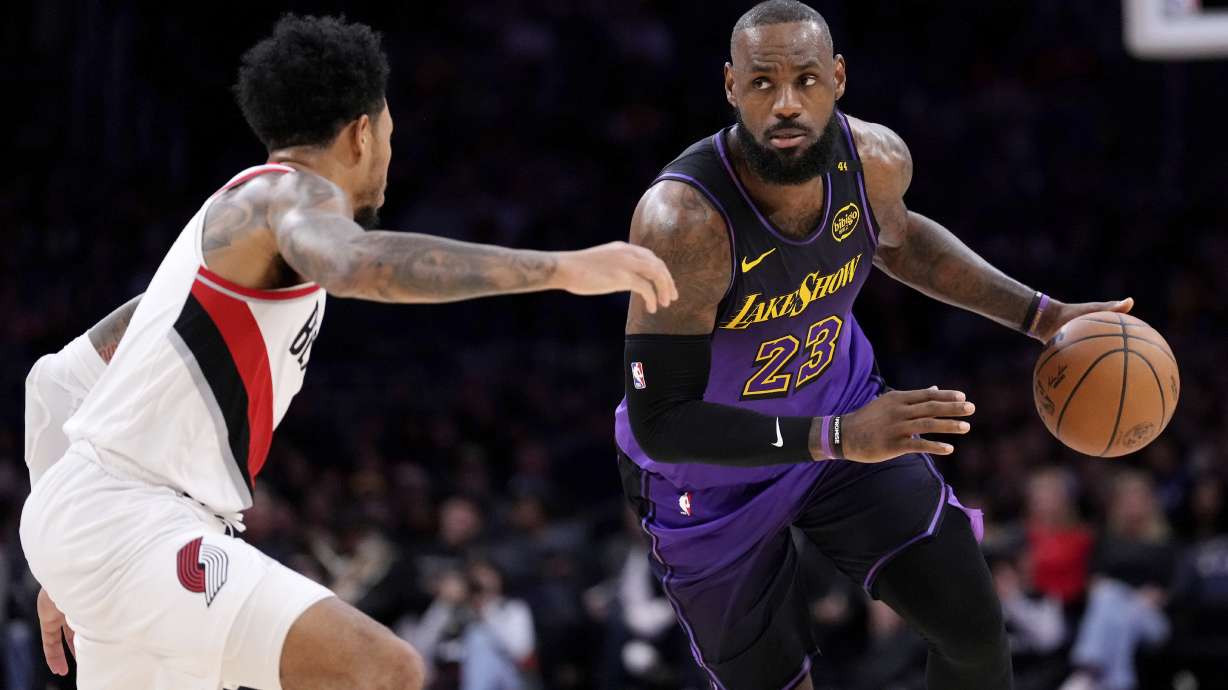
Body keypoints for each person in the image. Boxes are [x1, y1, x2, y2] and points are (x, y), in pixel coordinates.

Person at [21, 14, 675, 690]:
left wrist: (61, 556)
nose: (391, 152)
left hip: (112, 526)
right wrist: (563, 268)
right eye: (390, 132)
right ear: (363, 132)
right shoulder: (291, 193)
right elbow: (355, 262)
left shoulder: (208, 250)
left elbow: (52, 382)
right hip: (134, 522)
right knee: (382, 670)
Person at [614, 2, 1131, 688]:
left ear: (838, 77)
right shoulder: (683, 222)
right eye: (763, 83)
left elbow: (901, 242)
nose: (787, 104)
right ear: (731, 88)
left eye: (806, 79)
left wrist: (1040, 316)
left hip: (843, 420)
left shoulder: (875, 161)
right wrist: (835, 435)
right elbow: (663, 420)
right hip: (707, 480)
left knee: (973, 633)